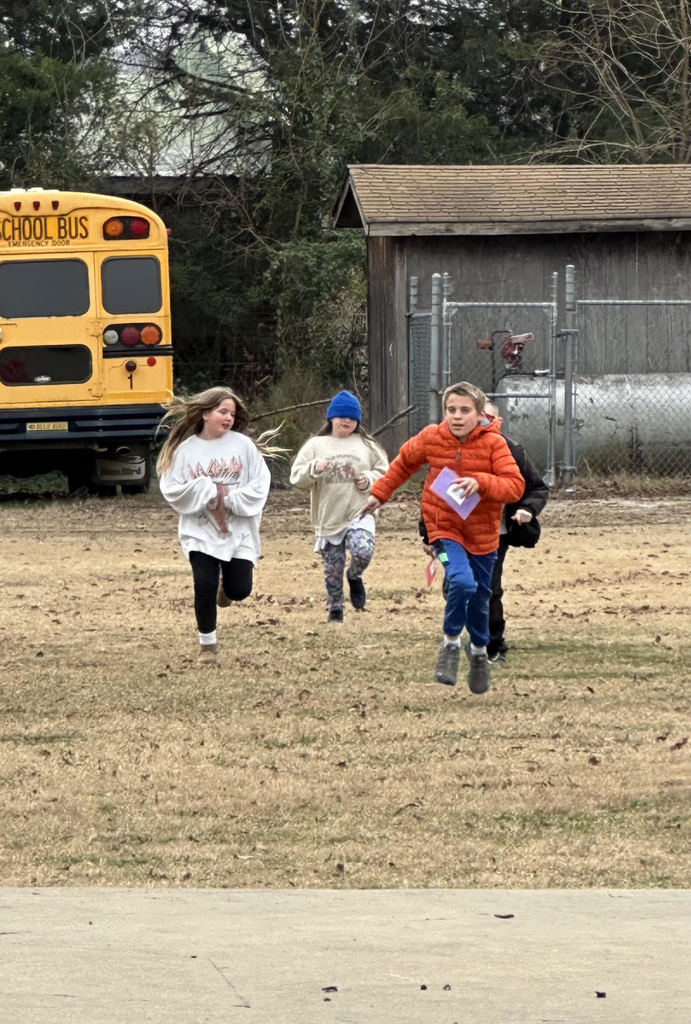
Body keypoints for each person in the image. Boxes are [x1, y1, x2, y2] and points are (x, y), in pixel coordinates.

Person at [360, 381, 524, 693]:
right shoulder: (432, 437)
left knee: (479, 597)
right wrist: (379, 495)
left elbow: (514, 486)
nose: (457, 416)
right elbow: (403, 464)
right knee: (460, 581)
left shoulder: (494, 444)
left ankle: (478, 652)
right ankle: (449, 643)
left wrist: (481, 482)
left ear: (479, 414)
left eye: (465, 410)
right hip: (444, 529)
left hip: (483, 536)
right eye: (451, 410)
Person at [156, 386, 280, 665]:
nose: (228, 418)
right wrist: (205, 491)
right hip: (200, 531)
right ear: (204, 414)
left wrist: (232, 499)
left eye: (232, 414)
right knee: (204, 583)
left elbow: (260, 484)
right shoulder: (185, 451)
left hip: (239, 531)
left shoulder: (243, 446)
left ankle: (229, 587)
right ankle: (207, 646)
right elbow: (171, 488)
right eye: (222, 412)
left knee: (239, 590)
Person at [419, 401, 549, 665]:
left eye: (485, 418)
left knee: (489, 588)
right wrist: (427, 535)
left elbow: (537, 489)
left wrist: (527, 510)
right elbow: (433, 496)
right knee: (458, 584)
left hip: (493, 535)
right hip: (451, 532)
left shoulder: (510, 451)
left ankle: (492, 645)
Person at [290, 390, 389, 622]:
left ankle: (355, 576)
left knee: (363, 550)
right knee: (332, 570)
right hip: (329, 516)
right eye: (342, 416)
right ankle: (336, 608)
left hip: (360, 511)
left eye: (352, 418)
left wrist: (370, 479)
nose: (347, 421)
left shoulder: (367, 444)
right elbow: (296, 478)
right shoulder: (316, 445)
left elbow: (386, 472)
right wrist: (314, 468)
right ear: (331, 418)